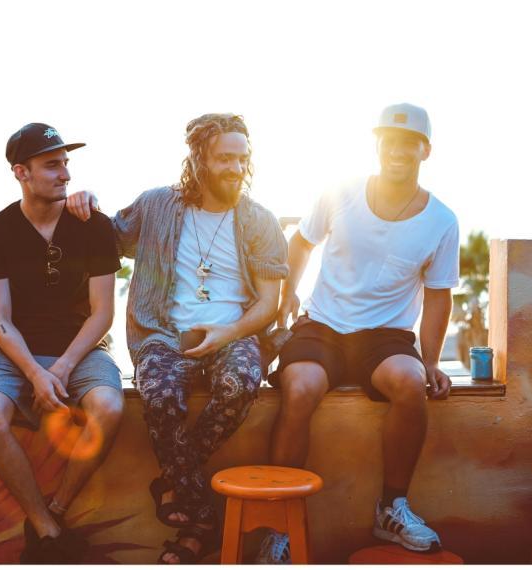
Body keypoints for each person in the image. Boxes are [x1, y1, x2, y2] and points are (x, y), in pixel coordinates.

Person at [67, 113, 288, 563]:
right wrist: (85, 201)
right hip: (162, 333)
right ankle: (203, 516)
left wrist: (228, 332)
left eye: (242, 159)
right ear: (199, 158)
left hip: (234, 333)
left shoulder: (260, 221)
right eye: (224, 158)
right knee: (161, 395)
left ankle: (173, 484)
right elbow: (106, 236)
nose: (235, 168)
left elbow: (269, 304)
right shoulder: (156, 206)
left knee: (241, 383)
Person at [260, 103, 459, 561]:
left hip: (385, 335)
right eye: (389, 140)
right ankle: (278, 523)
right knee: (300, 386)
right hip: (323, 325)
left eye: (409, 143)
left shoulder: (441, 220)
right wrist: (289, 294)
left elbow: (438, 296)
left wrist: (431, 361)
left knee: (410, 383)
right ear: (377, 144)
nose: (397, 150)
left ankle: (391, 508)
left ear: (425, 151)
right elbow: (301, 242)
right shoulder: (341, 193)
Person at [0, 123, 124, 563]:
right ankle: (45, 527)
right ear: (21, 172)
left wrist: (61, 367)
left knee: (110, 408)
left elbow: (102, 313)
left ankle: (56, 509)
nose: (66, 174)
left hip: (82, 348)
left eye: (66, 164)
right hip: (16, 351)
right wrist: (35, 373)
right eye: (52, 165)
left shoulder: (93, 226)